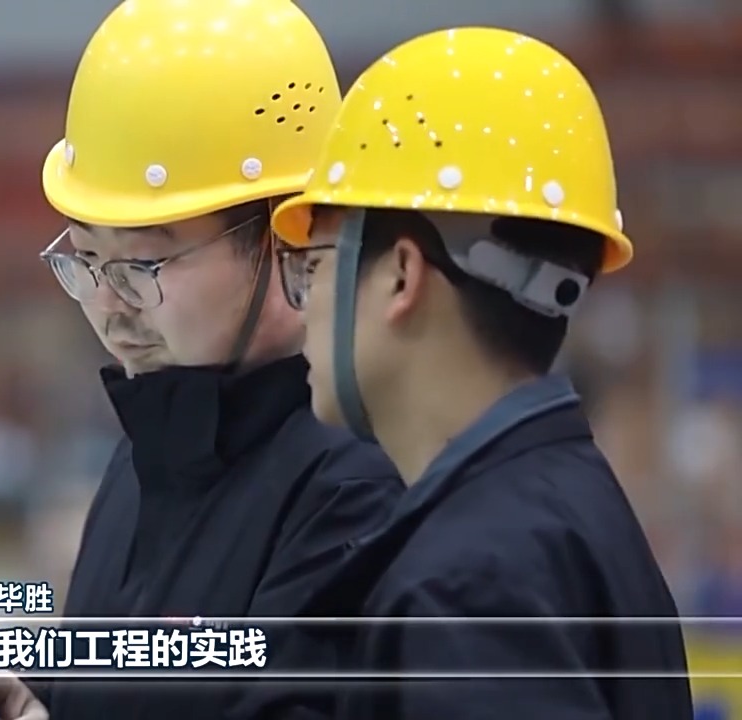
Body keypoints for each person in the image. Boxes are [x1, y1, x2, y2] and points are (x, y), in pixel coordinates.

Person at [0, 1, 403, 718]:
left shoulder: (356, 491)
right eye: (86, 258)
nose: (108, 304)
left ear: (289, 239)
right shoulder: (145, 460)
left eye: (142, 264)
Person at [269, 26, 693, 720]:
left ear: (402, 275)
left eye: (312, 266)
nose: (301, 306)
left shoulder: (471, 584)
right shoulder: (567, 513)